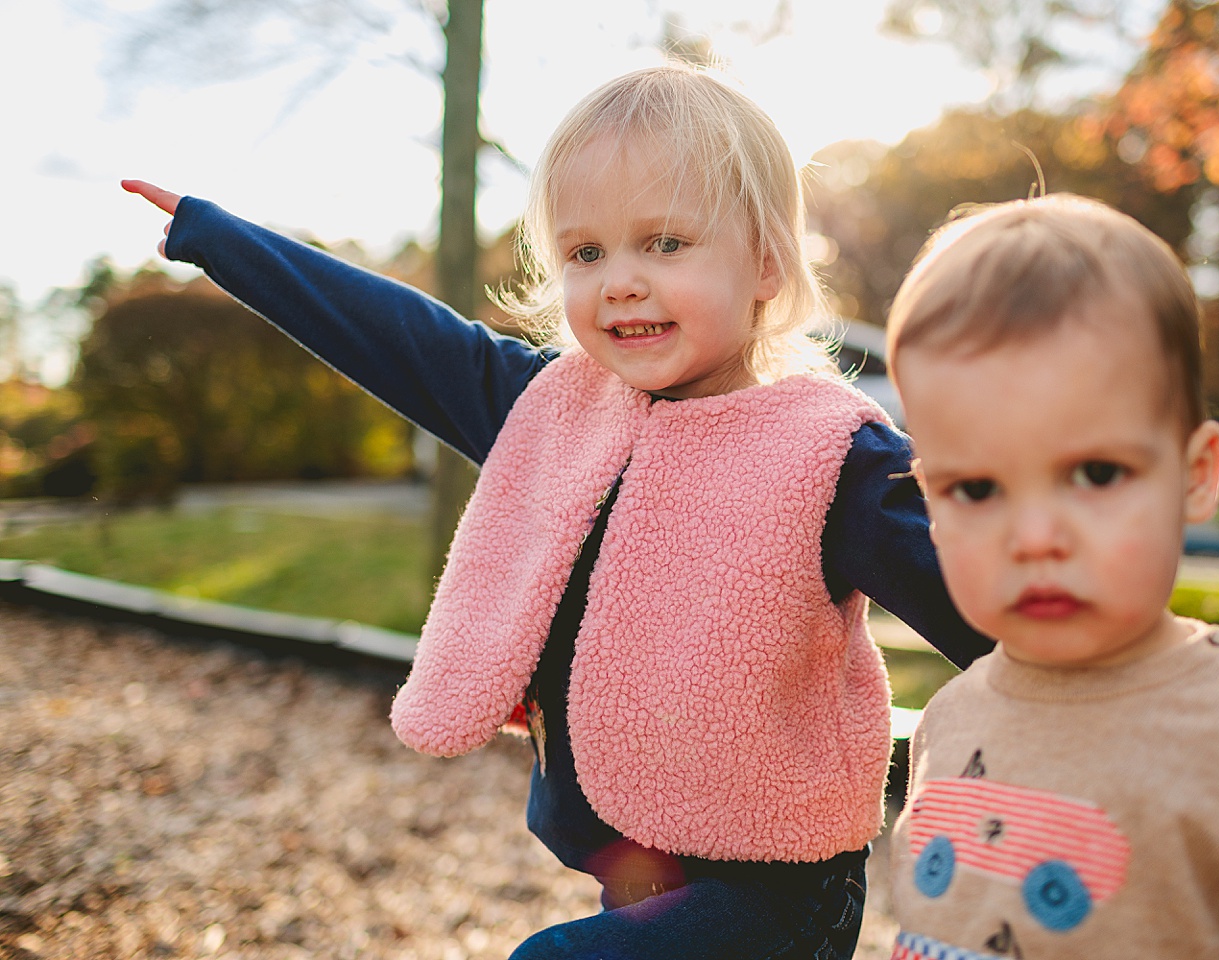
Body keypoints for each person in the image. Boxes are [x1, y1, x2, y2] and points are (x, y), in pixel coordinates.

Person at [124, 64, 991, 960]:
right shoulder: (556, 407)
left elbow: (989, 610)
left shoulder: (831, 454)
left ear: (767, 261)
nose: (619, 281)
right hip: (637, 862)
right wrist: (220, 240)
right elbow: (398, 338)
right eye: (586, 253)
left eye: (664, 243)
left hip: (774, 890)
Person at [882, 193, 1219, 959]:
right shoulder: (949, 718)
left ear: (1197, 473)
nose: (1036, 537)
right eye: (976, 488)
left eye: (1097, 472)